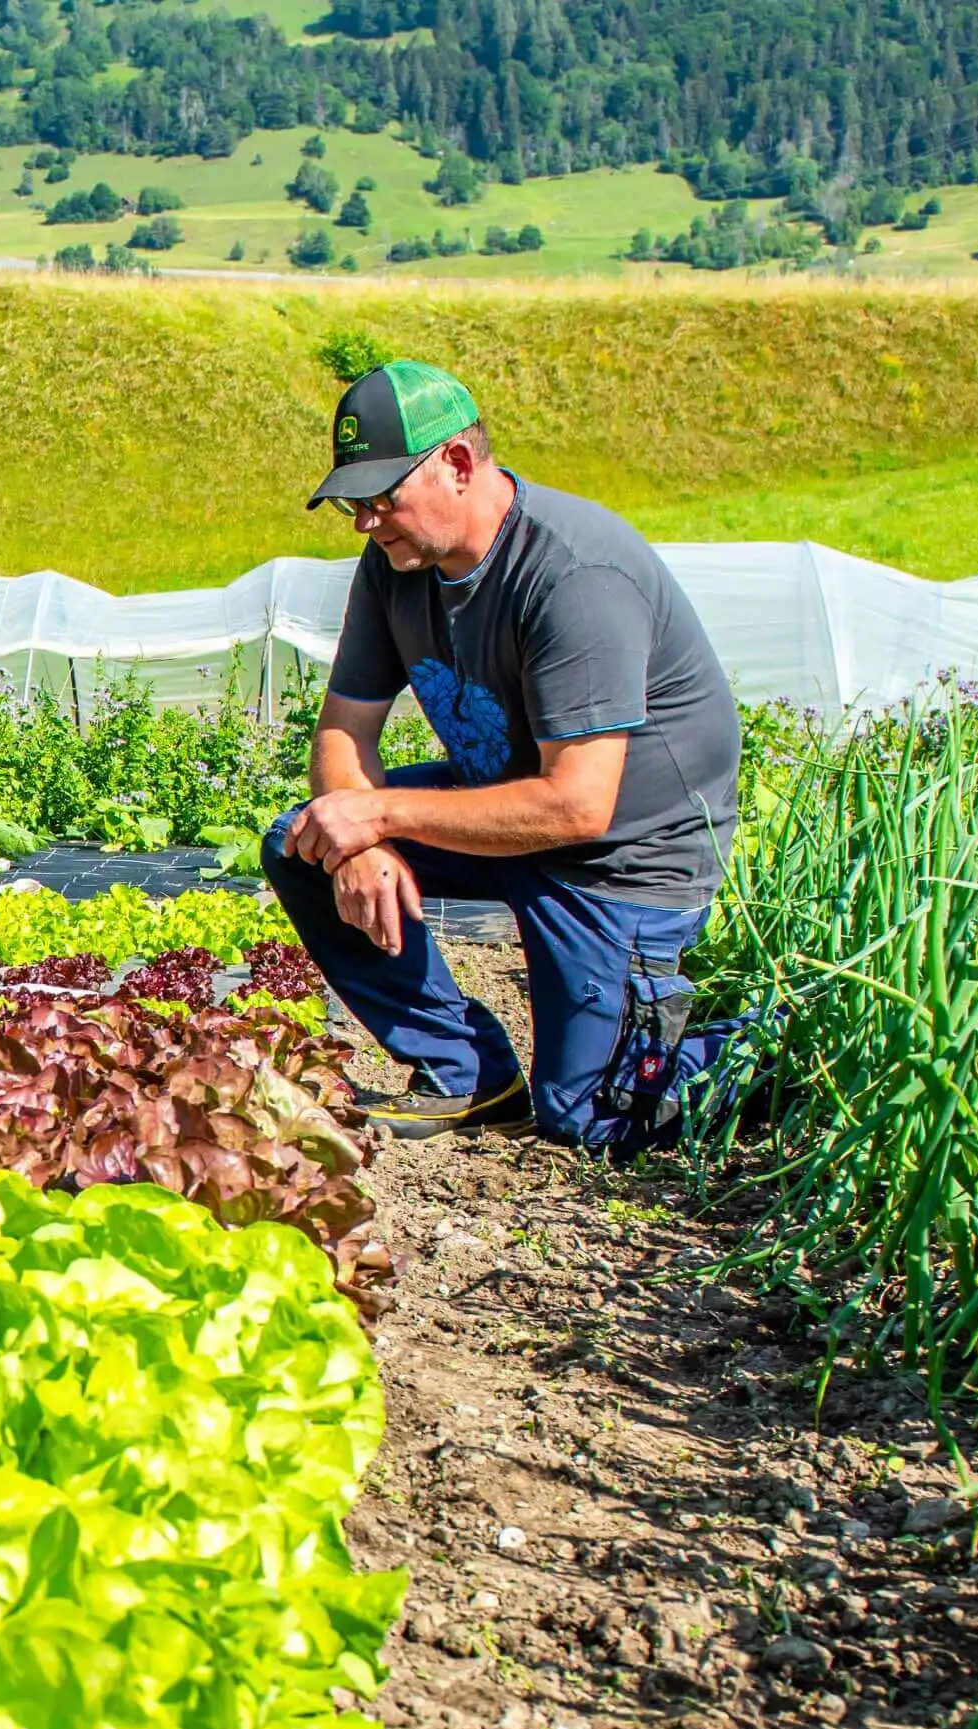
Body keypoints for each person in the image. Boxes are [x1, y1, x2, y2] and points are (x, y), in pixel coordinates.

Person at [265, 359, 742, 1142]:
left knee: (589, 1116)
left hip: (624, 858)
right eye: (353, 503)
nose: (365, 522)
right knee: (305, 841)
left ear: (456, 464)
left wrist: (376, 812)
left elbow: (579, 805)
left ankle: (793, 1040)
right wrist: (359, 841)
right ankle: (468, 1073)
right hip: (509, 811)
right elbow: (344, 730)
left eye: (383, 499)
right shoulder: (395, 568)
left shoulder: (574, 575)